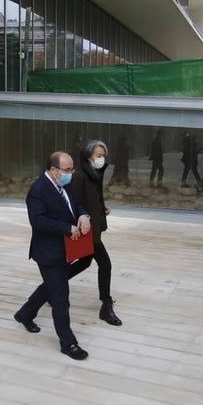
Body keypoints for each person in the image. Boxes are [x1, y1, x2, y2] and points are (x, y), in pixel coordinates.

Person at [13, 151, 92, 361]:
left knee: (59, 280)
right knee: (60, 297)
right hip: (48, 251)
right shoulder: (38, 190)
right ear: (53, 170)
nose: (70, 173)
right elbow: (38, 221)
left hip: (68, 248)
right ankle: (68, 343)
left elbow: (75, 204)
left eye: (72, 169)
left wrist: (84, 215)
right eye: (67, 170)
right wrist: (67, 227)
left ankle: (25, 314)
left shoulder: (63, 184)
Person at [68, 140, 122, 326]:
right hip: (86, 229)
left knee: (84, 262)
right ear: (88, 156)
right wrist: (83, 218)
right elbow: (74, 203)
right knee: (105, 264)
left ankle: (50, 287)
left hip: (94, 227)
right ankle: (106, 305)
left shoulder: (94, 174)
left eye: (103, 155)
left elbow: (92, 198)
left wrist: (101, 208)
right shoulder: (80, 175)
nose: (102, 159)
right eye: (99, 155)